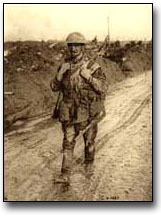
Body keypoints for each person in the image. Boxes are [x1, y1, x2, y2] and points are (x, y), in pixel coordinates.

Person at [50, 32, 108, 184]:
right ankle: (65, 174)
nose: (73, 48)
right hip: (69, 112)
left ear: (82, 47)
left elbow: (103, 88)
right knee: (67, 142)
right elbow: (54, 88)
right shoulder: (64, 66)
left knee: (89, 141)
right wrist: (59, 75)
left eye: (77, 45)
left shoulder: (93, 67)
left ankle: (89, 166)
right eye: (71, 45)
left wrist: (89, 77)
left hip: (88, 111)